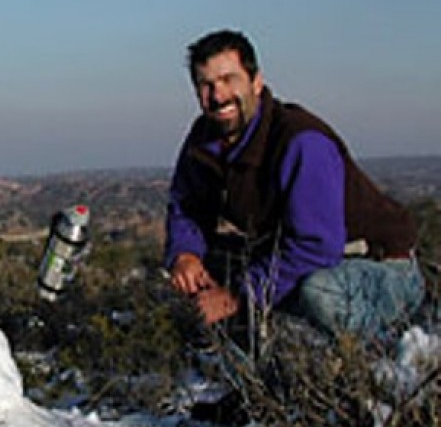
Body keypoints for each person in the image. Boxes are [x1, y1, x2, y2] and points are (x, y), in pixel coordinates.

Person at [165, 29, 424, 345]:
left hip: (374, 264)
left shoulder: (300, 141)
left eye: (228, 79)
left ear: (256, 82)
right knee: (200, 279)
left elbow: (316, 246)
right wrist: (186, 254)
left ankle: (385, 352)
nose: (218, 96)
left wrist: (236, 296)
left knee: (319, 294)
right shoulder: (205, 139)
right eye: (206, 85)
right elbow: (185, 205)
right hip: (298, 258)